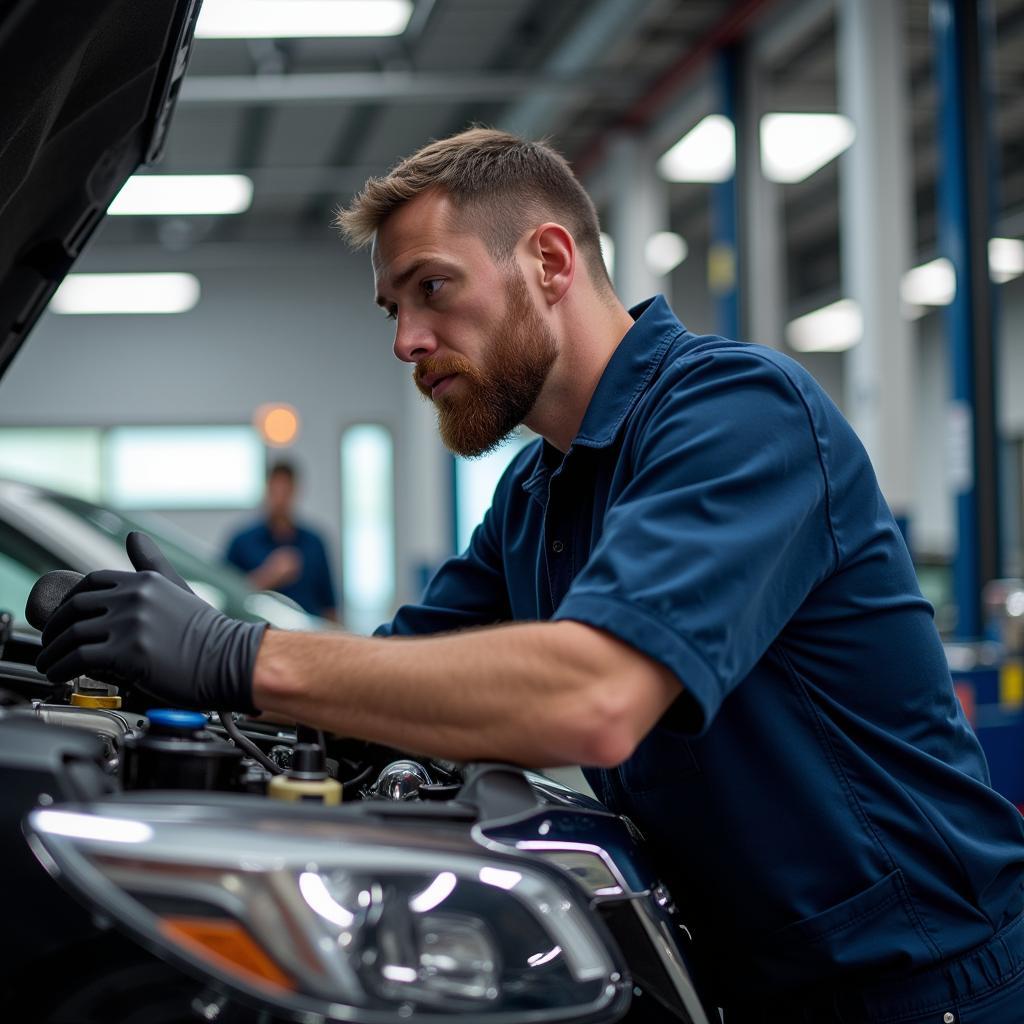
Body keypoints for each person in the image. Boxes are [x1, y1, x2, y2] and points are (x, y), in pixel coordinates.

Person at [35, 128, 1024, 1021]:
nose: (406, 342)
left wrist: (232, 651)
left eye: (432, 288)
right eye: (393, 309)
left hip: (924, 984)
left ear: (549, 259)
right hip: (753, 977)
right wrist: (162, 667)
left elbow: (592, 695)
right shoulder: (538, 494)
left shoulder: (734, 412)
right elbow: (391, 680)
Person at [224, 460, 337, 621]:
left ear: (295, 491)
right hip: (259, 634)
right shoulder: (242, 542)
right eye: (275, 490)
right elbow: (226, 594)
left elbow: (329, 605)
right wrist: (269, 575)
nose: (280, 498)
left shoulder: (314, 543)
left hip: (307, 634)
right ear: (267, 489)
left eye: (286, 491)